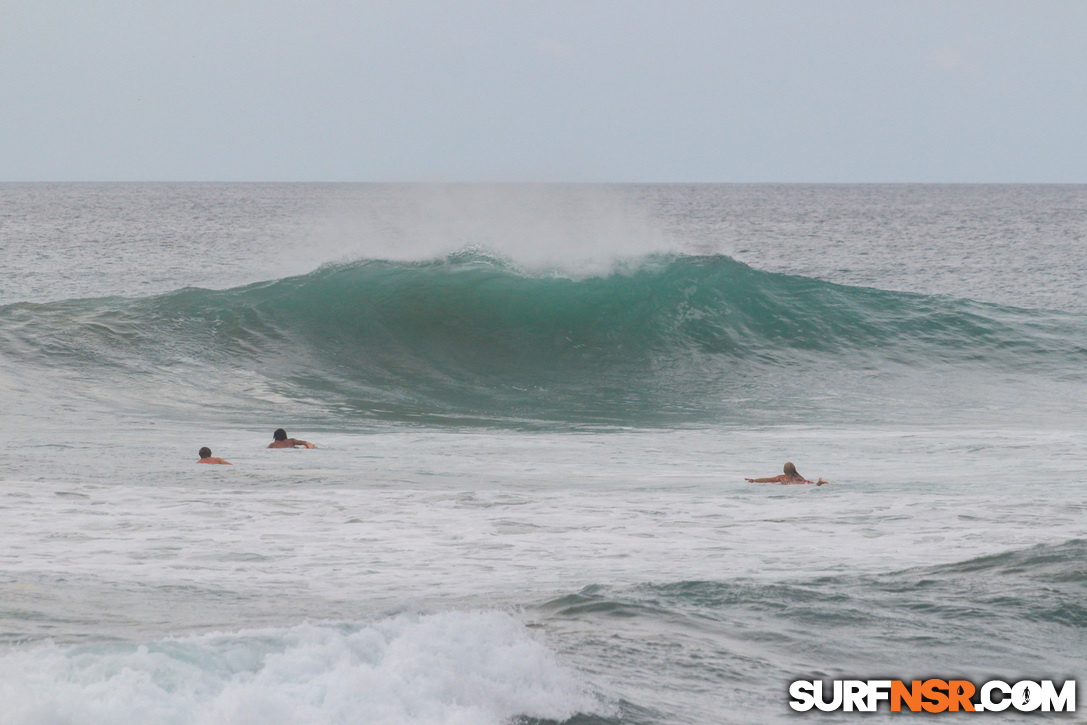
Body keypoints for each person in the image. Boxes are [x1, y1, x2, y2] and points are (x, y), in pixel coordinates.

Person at [745, 461, 828, 486]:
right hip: (803, 483)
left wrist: (753, 480)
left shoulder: (782, 477)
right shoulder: (799, 476)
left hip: (789, 485)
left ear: (785, 470)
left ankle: (819, 483)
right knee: (813, 485)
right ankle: (819, 482)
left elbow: (767, 480)